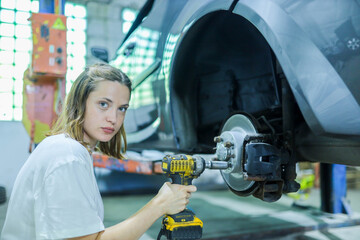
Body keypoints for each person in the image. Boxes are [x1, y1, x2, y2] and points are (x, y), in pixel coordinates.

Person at [1, 63, 197, 240]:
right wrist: (160, 204)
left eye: (122, 108)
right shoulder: (67, 155)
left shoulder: (71, 149)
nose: (114, 118)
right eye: (103, 104)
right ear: (80, 103)